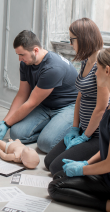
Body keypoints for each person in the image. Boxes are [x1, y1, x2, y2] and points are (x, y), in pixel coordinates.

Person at [0, 30, 78, 153]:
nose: (20, 59)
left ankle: (56, 130)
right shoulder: (25, 63)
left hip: (67, 107)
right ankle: (51, 128)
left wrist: (7, 124)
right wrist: (6, 121)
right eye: (18, 54)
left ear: (36, 50)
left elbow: (31, 103)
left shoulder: (53, 68)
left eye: (22, 55)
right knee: (16, 134)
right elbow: (22, 95)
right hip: (45, 104)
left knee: (46, 144)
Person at [48, 48, 110, 212]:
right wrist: (86, 163)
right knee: (59, 175)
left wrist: (83, 169)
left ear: (107, 70)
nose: (95, 74)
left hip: (107, 175)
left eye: (98, 70)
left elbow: (109, 163)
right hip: (105, 170)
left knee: (55, 187)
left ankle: (107, 205)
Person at [45, 18, 109, 174]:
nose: (71, 44)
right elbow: (80, 96)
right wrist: (75, 128)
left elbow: (101, 109)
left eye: (72, 40)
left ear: (83, 39)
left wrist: (85, 136)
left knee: (56, 168)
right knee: (48, 162)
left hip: (94, 135)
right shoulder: (85, 61)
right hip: (83, 130)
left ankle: (95, 163)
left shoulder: (101, 65)